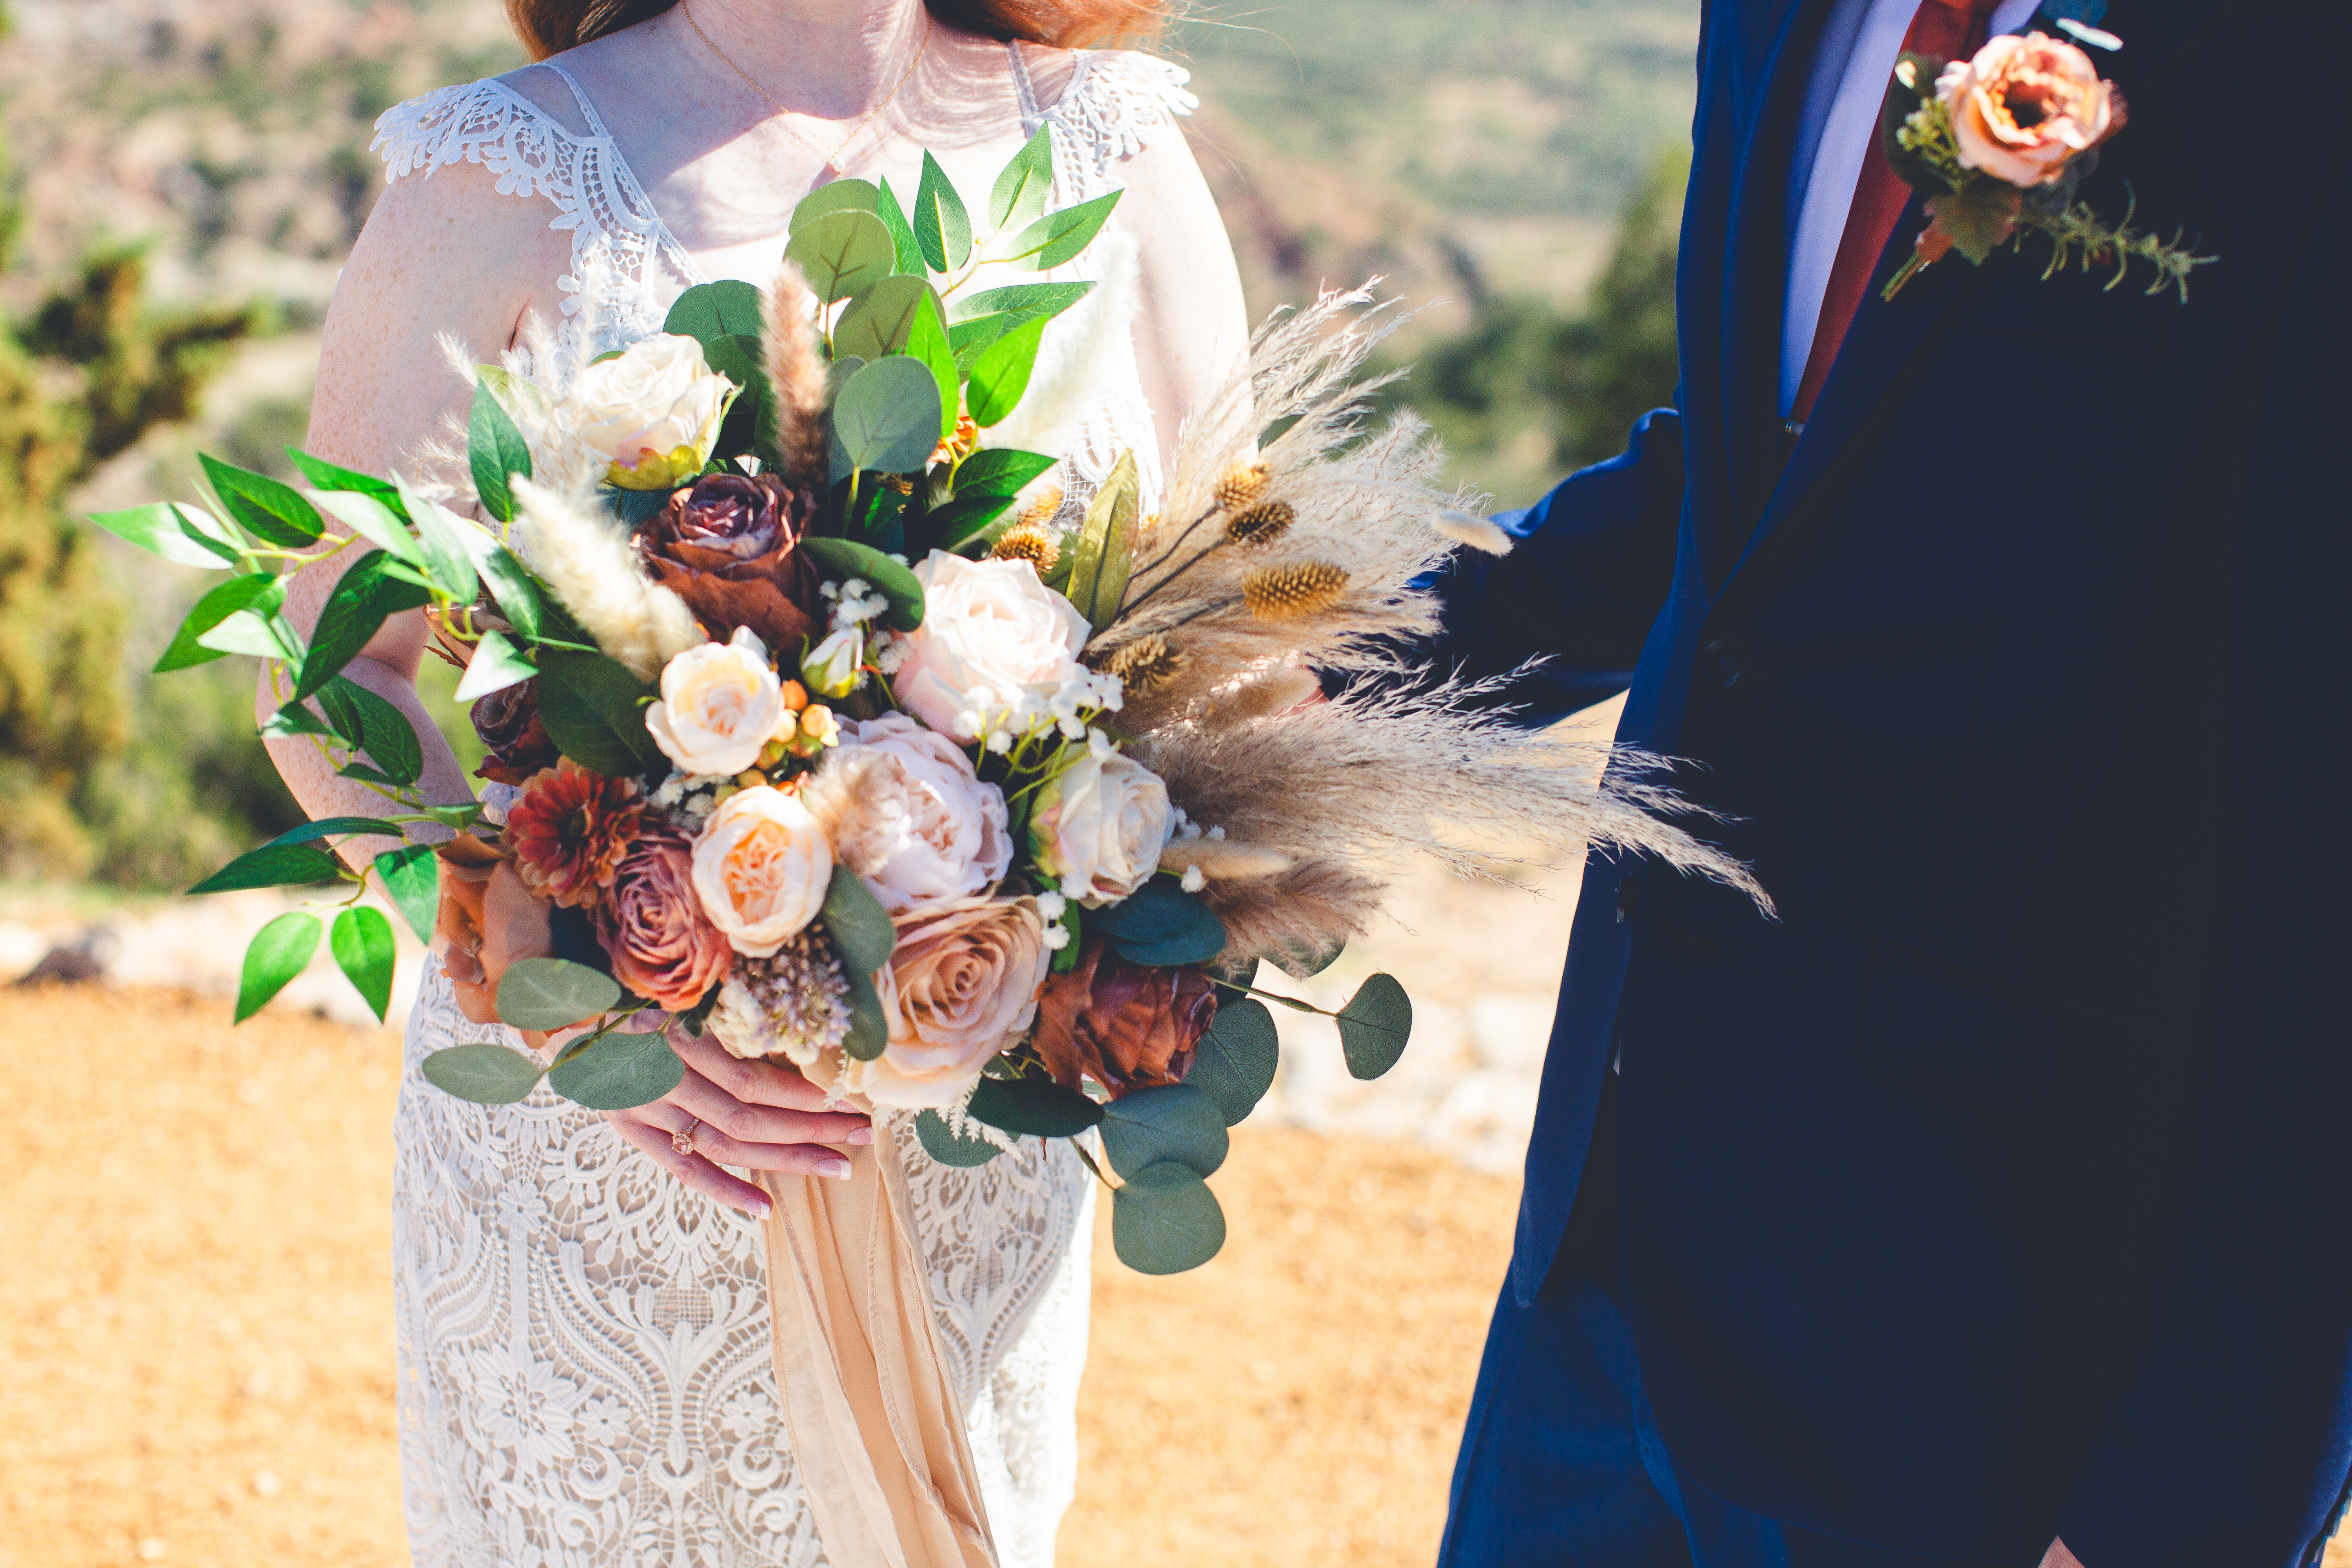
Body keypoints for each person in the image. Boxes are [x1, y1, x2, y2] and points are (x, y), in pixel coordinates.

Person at [265, 1, 1245, 1563]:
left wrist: (1100, 910)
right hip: (600, 1180)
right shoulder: (494, 173)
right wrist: (571, 993)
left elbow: (1236, 647)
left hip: (964, 1163)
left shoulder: (1112, 148)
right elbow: (328, 671)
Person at [1430, 0, 2348, 1563]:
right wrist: (1323, 683)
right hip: (1599, 1291)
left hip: (1984, 1383)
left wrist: (2193, 1504)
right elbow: (1764, 463)